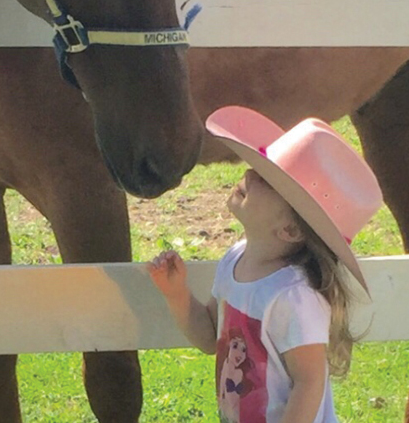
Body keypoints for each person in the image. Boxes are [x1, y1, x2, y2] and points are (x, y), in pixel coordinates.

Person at [148, 105, 383, 423]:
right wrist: (176, 294)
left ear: (290, 230)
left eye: (266, 180)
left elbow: (309, 381)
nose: (247, 174)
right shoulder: (234, 259)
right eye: (257, 167)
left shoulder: (294, 296)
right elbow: (210, 339)